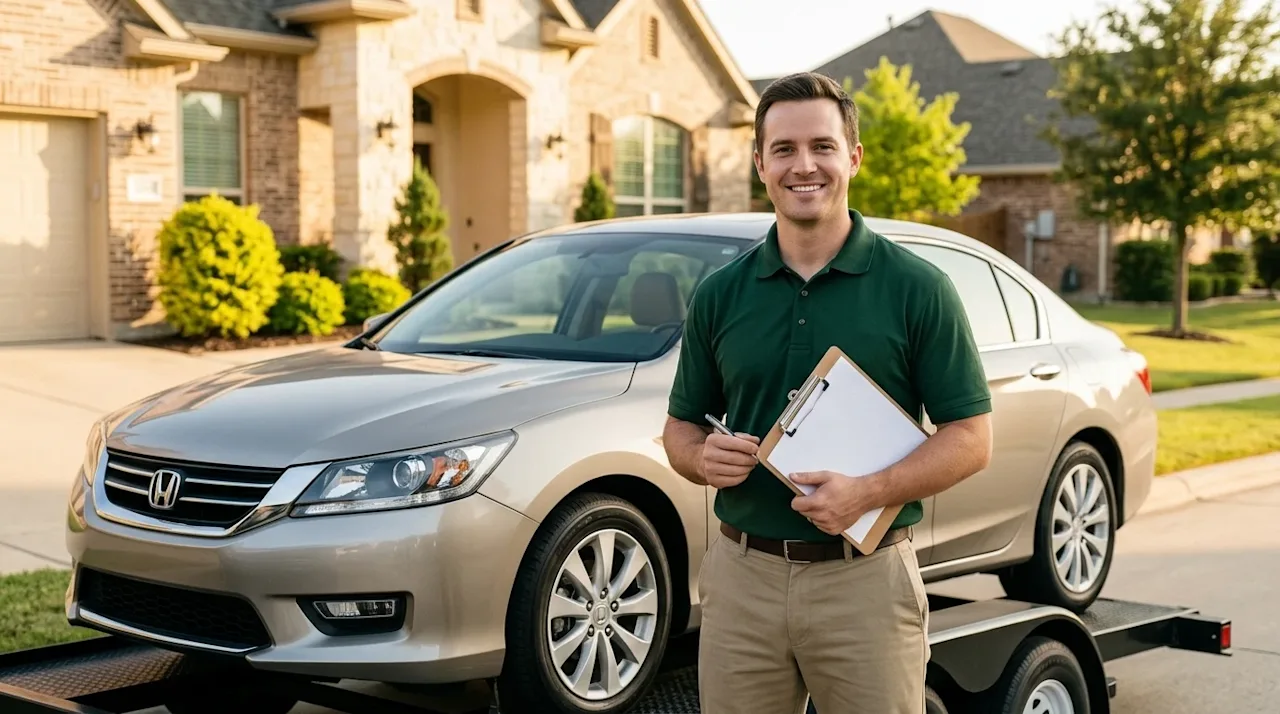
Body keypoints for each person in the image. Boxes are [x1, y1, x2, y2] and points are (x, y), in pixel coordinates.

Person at [662, 71, 994, 714]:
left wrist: (869, 493)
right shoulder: (720, 294)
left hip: (865, 580)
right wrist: (701, 459)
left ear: (853, 158)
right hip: (742, 579)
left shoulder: (918, 289)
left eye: (821, 146)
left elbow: (972, 439)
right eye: (783, 149)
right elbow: (679, 430)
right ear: (760, 162)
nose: (803, 165)